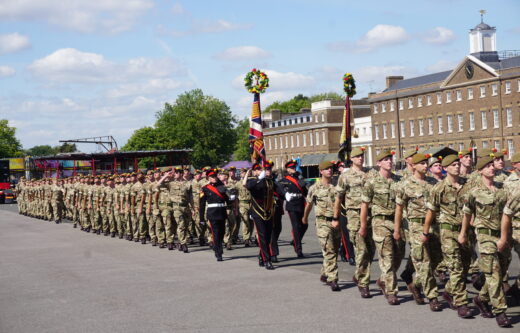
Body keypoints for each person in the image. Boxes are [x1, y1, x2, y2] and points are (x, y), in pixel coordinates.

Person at [459, 155, 511, 327]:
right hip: (485, 236)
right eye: (487, 166)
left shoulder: (502, 190)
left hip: (502, 235)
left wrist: (504, 237)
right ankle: (500, 311)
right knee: (494, 273)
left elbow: (506, 214)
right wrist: (463, 233)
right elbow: (467, 214)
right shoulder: (473, 192)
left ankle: (481, 298)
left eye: (492, 165)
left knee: (501, 270)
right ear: (480, 170)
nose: (491, 168)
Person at [394, 153, 442, 311]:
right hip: (416, 227)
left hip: (434, 226)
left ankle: (415, 283)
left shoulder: (433, 183)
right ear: (413, 165)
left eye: (426, 162)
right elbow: (399, 209)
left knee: (437, 259)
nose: (425, 165)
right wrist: (397, 230)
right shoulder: (405, 185)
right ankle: (432, 297)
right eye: (421, 163)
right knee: (424, 262)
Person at [360, 150, 404, 305]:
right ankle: (391, 292)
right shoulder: (372, 182)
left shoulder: (399, 181)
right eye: (385, 160)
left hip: (398, 222)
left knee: (399, 255)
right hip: (380, 222)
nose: (389, 162)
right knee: (387, 257)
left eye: (390, 159)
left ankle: (384, 279)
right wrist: (363, 226)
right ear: (378, 163)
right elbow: (364, 205)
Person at [334, 147, 374, 298]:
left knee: (370, 250)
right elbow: (338, 197)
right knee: (361, 249)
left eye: (362, 156)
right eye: (357, 156)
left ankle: (359, 274)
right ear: (351, 159)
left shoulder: (370, 174)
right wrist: (336, 217)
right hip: (355, 215)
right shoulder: (346, 176)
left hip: (371, 215)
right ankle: (364, 284)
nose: (360, 159)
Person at [304, 160, 341, 292]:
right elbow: (308, 204)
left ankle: (325, 272)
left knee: (335, 250)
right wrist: (305, 218)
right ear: (321, 171)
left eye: (331, 168)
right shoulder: (314, 188)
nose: (329, 171)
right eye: (326, 169)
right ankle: (333, 278)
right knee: (329, 249)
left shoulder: (336, 186)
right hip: (322, 222)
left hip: (336, 221)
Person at [246, 161, 276, 270]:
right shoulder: (253, 181)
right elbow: (249, 187)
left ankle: (261, 256)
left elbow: (278, 189)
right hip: (257, 213)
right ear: (254, 172)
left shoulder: (270, 181)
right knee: (262, 235)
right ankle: (267, 260)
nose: (265, 171)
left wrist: (285, 194)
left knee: (268, 236)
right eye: (260, 169)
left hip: (268, 212)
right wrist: (260, 178)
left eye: (267, 169)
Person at [199, 168, 230, 261]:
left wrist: (231, 199)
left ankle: (217, 246)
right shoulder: (205, 188)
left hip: (222, 212)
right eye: (212, 177)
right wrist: (201, 218)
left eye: (215, 176)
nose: (214, 178)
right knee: (215, 233)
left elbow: (228, 200)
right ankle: (218, 252)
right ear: (208, 178)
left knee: (222, 232)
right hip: (212, 213)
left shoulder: (222, 187)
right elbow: (202, 204)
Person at [279, 159, 308, 258]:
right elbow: (281, 192)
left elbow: (305, 191)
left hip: (301, 203)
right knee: (296, 226)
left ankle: (295, 240)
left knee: (304, 225)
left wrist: (301, 180)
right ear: (287, 169)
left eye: (294, 167)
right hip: (292, 205)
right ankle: (298, 249)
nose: (293, 169)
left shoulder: (299, 177)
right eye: (291, 168)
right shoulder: (284, 180)